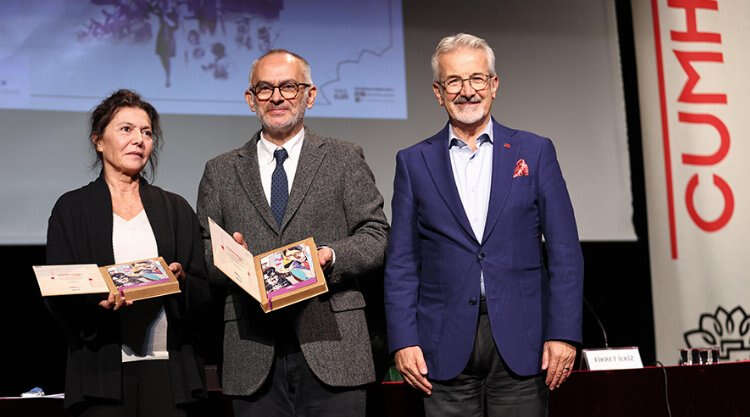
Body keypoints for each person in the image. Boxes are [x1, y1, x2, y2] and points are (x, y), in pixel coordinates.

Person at [384, 33, 584, 417]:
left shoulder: (535, 151)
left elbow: (564, 252)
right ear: (438, 92)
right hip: (441, 344)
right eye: (453, 81)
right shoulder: (413, 162)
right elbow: (402, 262)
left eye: (477, 78)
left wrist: (563, 333)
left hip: (524, 341)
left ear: (494, 85)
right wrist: (403, 339)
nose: (467, 91)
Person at [196, 49, 389, 417]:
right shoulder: (220, 171)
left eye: (288, 86)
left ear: (309, 95)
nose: (277, 97)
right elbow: (204, 250)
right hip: (253, 349)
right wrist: (230, 258)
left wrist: (330, 256)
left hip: (334, 345)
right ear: (250, 99)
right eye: (265, 88)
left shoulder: (344, 158)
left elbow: (375, 235)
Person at [45, 89, 209, 416]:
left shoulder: (175, 208)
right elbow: (59, 291)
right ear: (98, 141)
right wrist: (95, 303)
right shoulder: (72, 209)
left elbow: (204, 293)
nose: (139, 140)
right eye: (126, 129)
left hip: (169, 371)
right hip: (102, 375)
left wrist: (180, 281)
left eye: (146, 132)